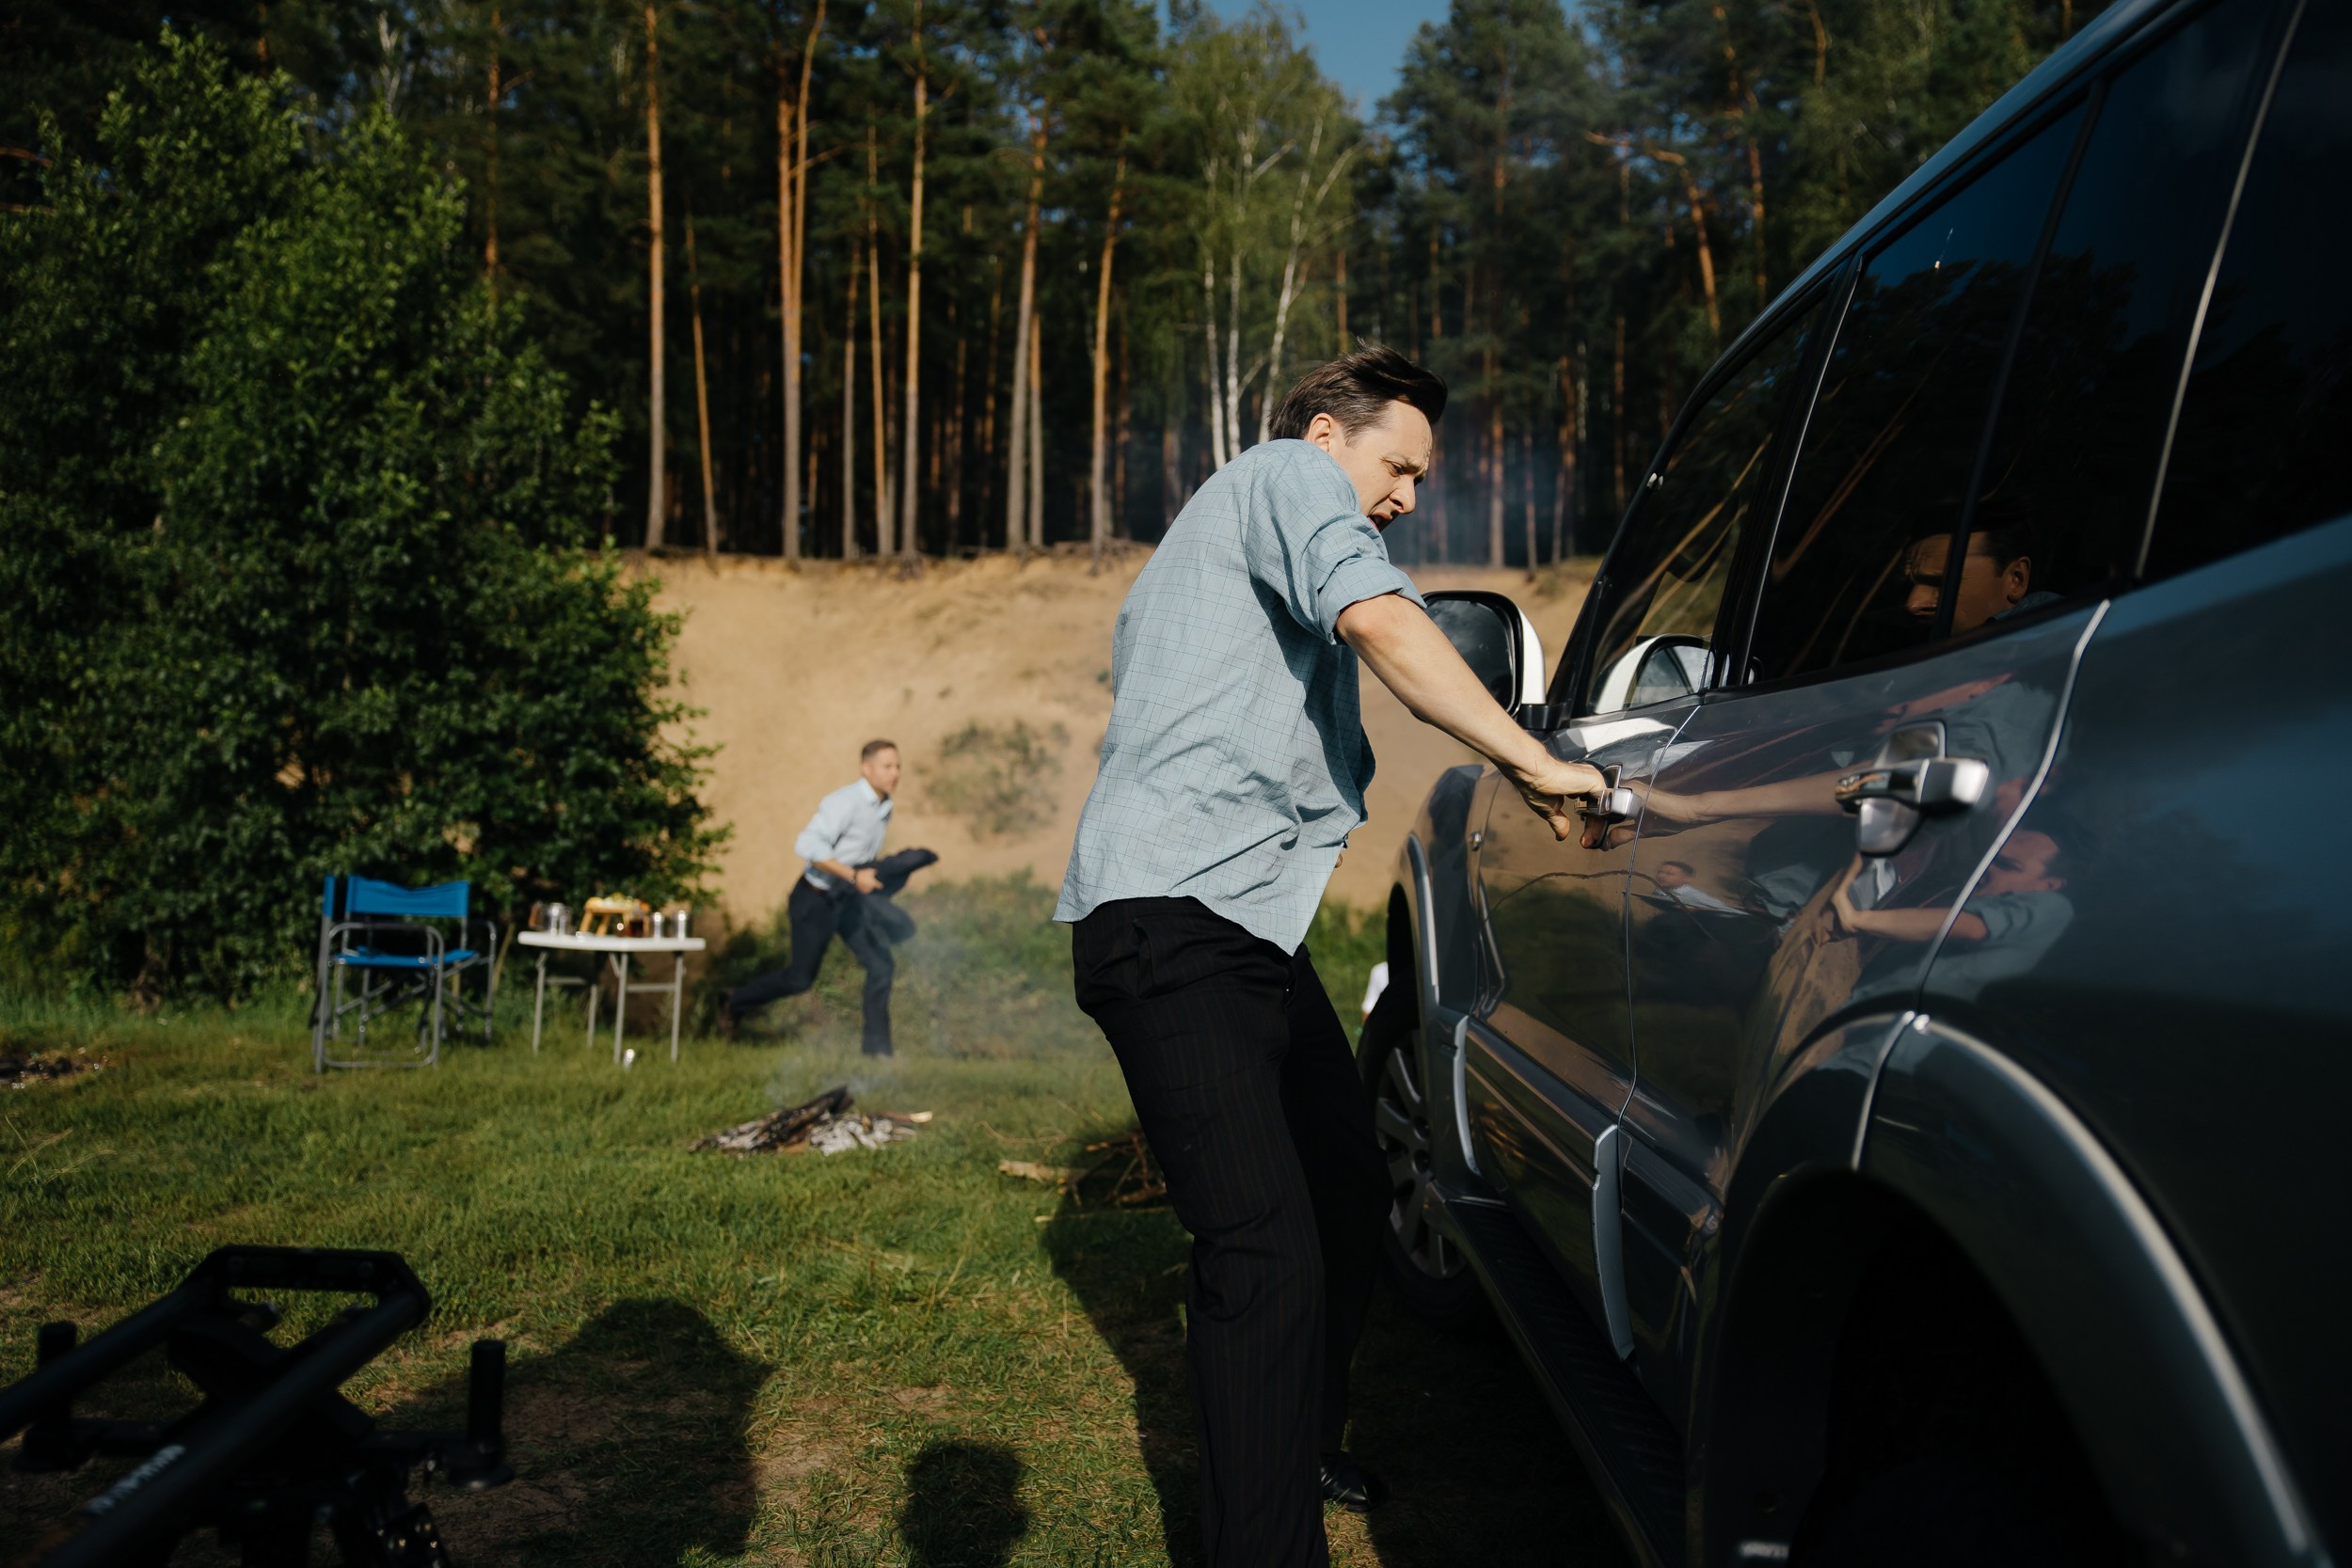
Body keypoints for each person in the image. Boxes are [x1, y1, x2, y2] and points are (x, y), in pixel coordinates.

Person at [1056, 344, 1604, 1568]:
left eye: (1421, 475)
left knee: (1346, 1184)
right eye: (1397, 466)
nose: (1408, 495)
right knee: (1260, 1246)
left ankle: (1287, 1436)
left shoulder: (1212, 541)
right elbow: (1377, 616)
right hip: (1171, 918)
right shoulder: (1284, 476)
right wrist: (1533, 757)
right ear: (1324, 434)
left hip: (1237, 925)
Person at [720, 739, 911, 1055]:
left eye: (898, 766)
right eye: (887, 766)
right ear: (866, 768)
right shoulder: (845, 802)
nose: (895, 773)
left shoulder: (884, 807)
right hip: (815, 900)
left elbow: (860, 857)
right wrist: (852, 875)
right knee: (800, 979)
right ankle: (733, 1001)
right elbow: (808, 846)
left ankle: (877, 1052)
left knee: (881, 965)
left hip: (848, 902)